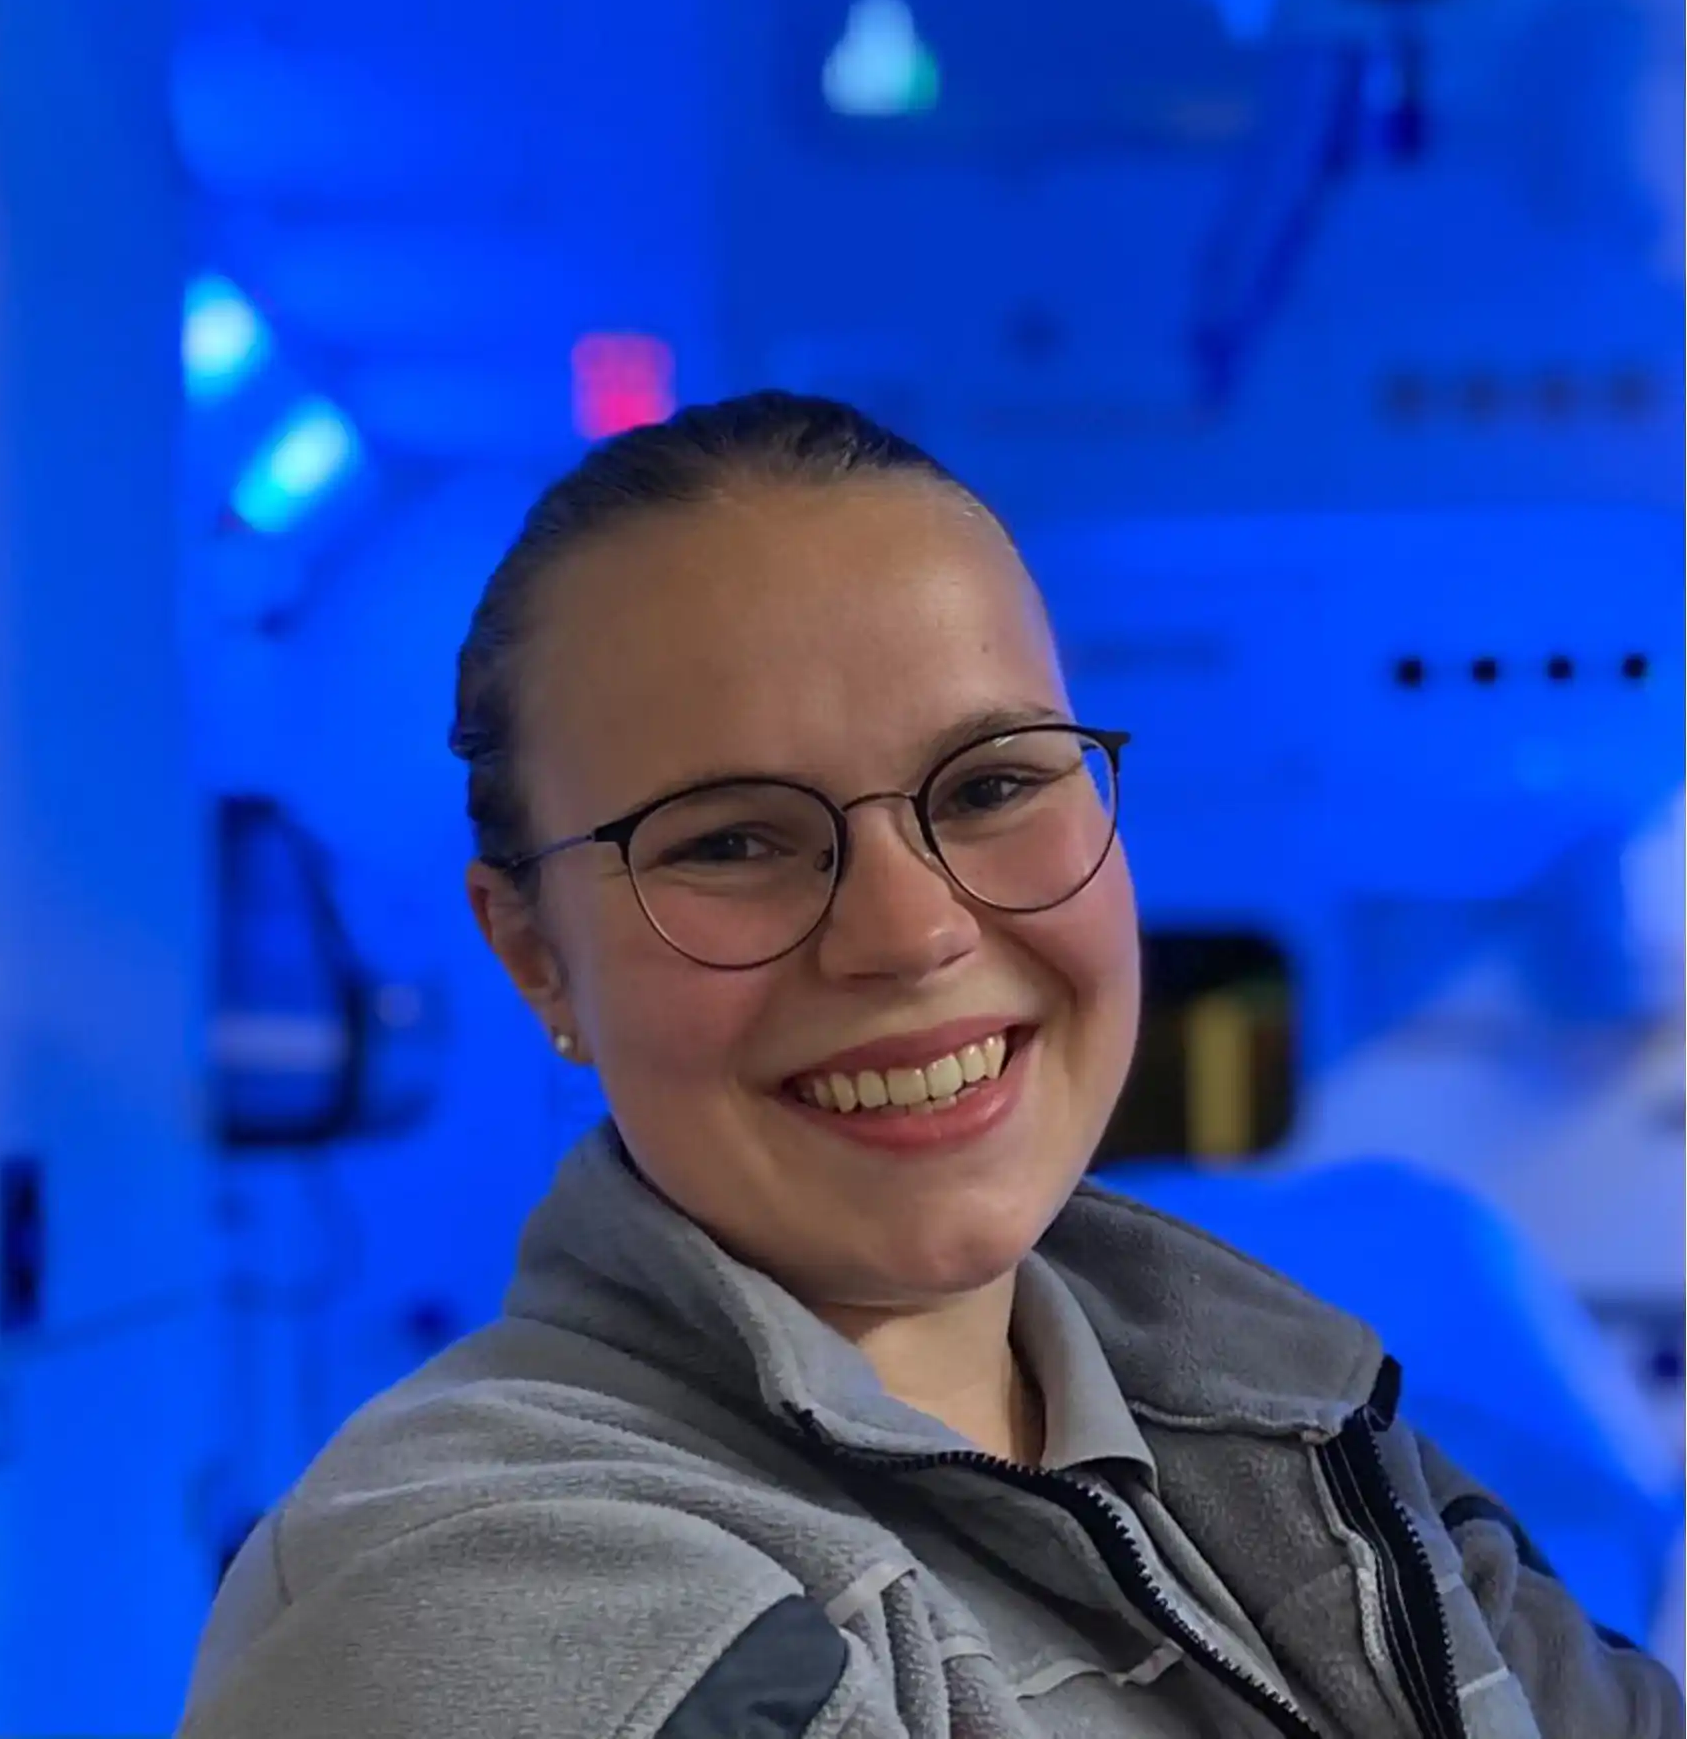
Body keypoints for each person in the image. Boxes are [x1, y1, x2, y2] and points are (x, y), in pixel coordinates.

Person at [178, 393, 1683, 1739]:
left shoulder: (1299, 1417)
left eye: (993, 784)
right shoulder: (481, 1600)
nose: (911, 932)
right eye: (732, 841)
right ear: (533, 954)